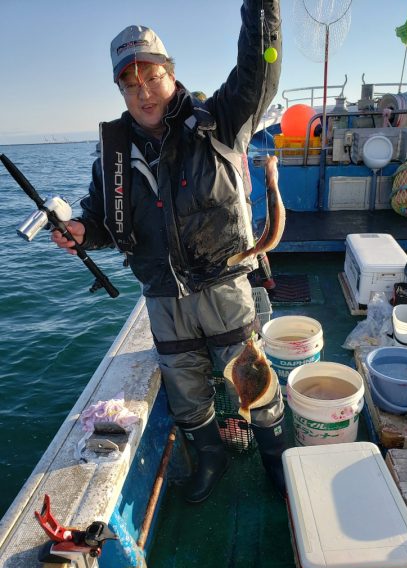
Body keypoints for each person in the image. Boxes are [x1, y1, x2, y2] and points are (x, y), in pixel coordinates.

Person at [52, 1, 287, 502]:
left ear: (171, 74)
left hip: (225, 283)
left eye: (151, 78)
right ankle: (210, 458)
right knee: (185, 389)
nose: (143, 93)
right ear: (120, 90)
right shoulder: (112, 154)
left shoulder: (218, 119)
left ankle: (275, 457)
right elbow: (103, 218)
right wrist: (79, 229)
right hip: (162, 295)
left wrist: (262, 11)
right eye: (130, 85)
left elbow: (257, 71)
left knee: (254, 376)